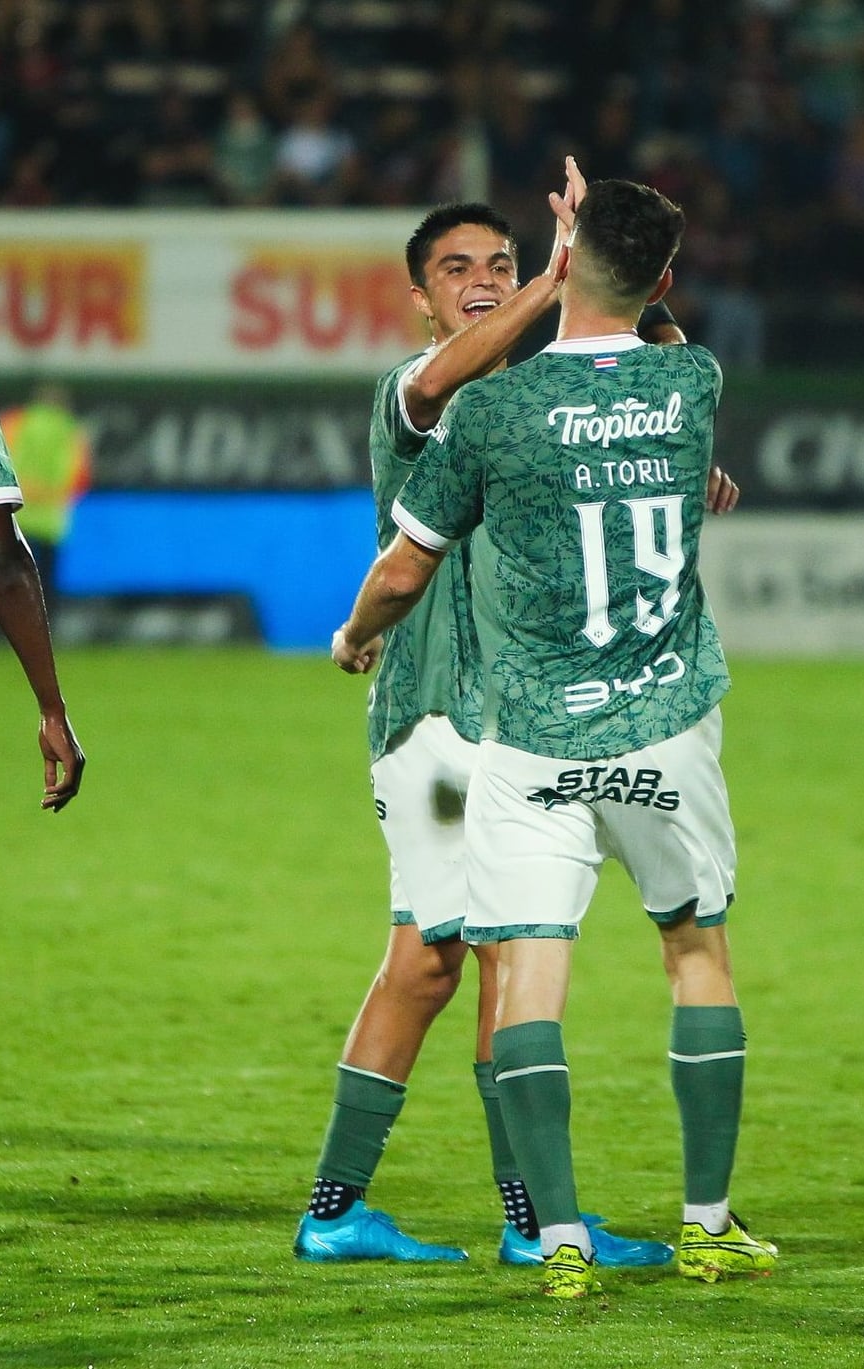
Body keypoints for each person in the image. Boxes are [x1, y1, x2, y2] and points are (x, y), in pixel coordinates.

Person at [331, 177, 777, 1297]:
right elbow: (453, 401)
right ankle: (366, 1207)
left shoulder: (525, 399)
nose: (483, 284)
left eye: (502, 262)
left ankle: (512, 1218)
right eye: (457, 272)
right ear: (418, 301)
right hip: (437, 713)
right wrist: (563, 271)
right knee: (436, 959)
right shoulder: (420, 393)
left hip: (514, 718)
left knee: (483, 960)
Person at [0, 390, 85, 811]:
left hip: (31, 518)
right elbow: (4, 565)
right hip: (43, 518)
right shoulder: (68, 431)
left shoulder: (19, 422)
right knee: (40, 589)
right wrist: (51, 708)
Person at [0, 382, 91, 624]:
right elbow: (80, 477)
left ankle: (4, 632)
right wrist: (52, 494)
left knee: (8, 578)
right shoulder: (70, 430)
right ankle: (45, 630)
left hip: (14, 514)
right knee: (44, 583)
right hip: (51, 521)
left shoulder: (16, 422)